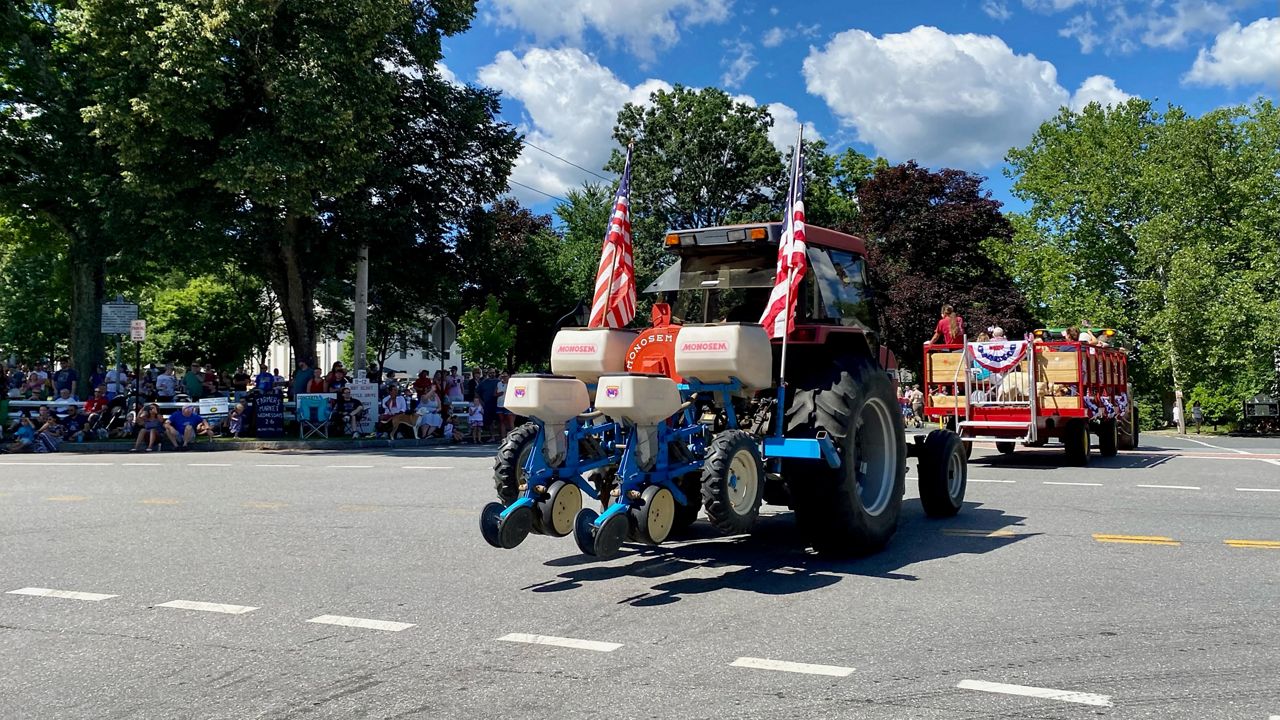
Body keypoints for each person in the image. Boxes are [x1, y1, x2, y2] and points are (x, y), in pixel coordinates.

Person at [495, 372, 514, 436]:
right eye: (503, 376)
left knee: (510, 422)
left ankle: (513, 437)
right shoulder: (499, 384)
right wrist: (499, 394)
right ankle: (503, 438)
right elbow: (494, 394)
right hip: (500, 404)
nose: (504, 378)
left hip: (508, 405)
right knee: (502, 421)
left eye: (506, 376)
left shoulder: (511, 384)